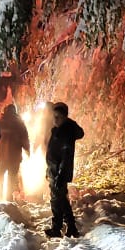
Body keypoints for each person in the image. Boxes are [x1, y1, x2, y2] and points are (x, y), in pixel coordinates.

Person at [44, 102, 85, 238]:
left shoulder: (65, 132)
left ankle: (58, 228)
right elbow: (52, 153)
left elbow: (65, 157)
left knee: (57, 201)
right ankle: (70, 227)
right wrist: (48, 170)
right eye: (54, 117)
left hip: (59, 172)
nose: (55, 120)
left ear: (65, 117)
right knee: (61, 199)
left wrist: (60, 174)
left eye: (58, 117)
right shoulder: (58, 130)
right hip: (54, 171)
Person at [0, 104, 29, 202]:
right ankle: (8, 200)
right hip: (14, 157)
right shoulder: (19, 124)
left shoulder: (0, 122)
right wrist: (27, 150)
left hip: (1, 156)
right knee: (11, 178)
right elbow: (25, 138)